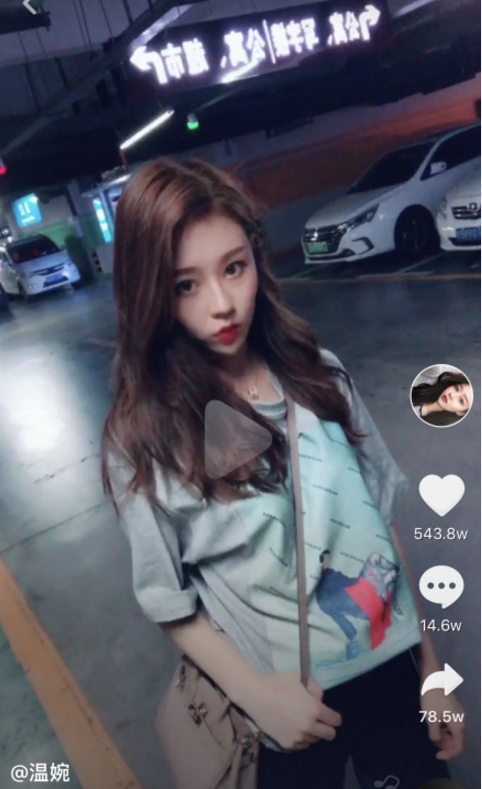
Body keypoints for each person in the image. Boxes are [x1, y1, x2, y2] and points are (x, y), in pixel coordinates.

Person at [101, 158, 465, 789]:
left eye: (233, 268)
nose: (221, 305)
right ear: (149, 292)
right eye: (185, 285)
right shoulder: (145, 436)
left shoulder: (319, 375)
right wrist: (258, 698)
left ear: (256, 261)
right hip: (282, 707)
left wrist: (431, 670)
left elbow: (379, 527)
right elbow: (168, 600)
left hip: (392, 680)